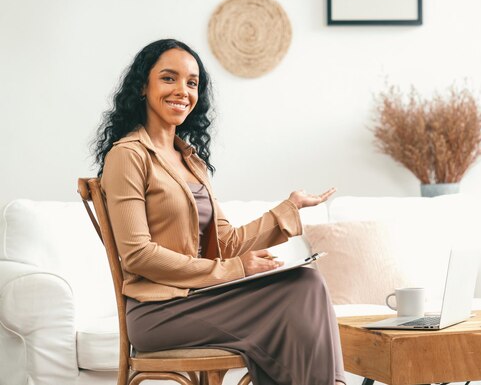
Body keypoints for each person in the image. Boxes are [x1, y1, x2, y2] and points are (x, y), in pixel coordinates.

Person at [91, 38, 346, 385]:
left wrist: (290, 208)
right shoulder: (128, 156)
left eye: (192, 82)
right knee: (301, 292)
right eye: (169, 78)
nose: (183, 90)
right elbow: (137, 256)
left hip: (199, 300)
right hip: (158, 313)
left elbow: (225, 242)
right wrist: (235, 269)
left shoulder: (190, 161)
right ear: (142, 86)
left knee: (306, 281)